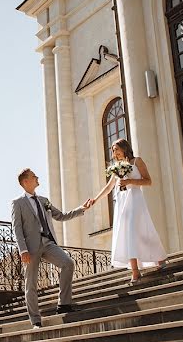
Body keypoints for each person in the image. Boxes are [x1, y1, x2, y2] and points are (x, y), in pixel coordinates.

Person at [11, 168, 92, 328]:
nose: (37, 178)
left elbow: (61, 216)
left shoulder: (44, 200)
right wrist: (23, 250)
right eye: (34, 176)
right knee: (31, 284)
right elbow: (17, 228)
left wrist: (81, 209)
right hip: (30, 248)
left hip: (48, 243)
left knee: (68, 263)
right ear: (25, 182)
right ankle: (35, 320)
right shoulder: (18, 203)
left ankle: (63, 304)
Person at [91, 138, 166, 284]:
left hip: (135, 201)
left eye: (116, 149)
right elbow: (108, 187)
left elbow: (148, 181)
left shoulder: (137, 161)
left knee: (141, 231)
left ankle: (159, 257)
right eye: (112, 150)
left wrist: (130, 182)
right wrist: (95, 200)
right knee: (127, 233)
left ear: (124, 148)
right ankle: (135, 271)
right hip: (121, 203)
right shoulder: (117, 166)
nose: (114, 152)